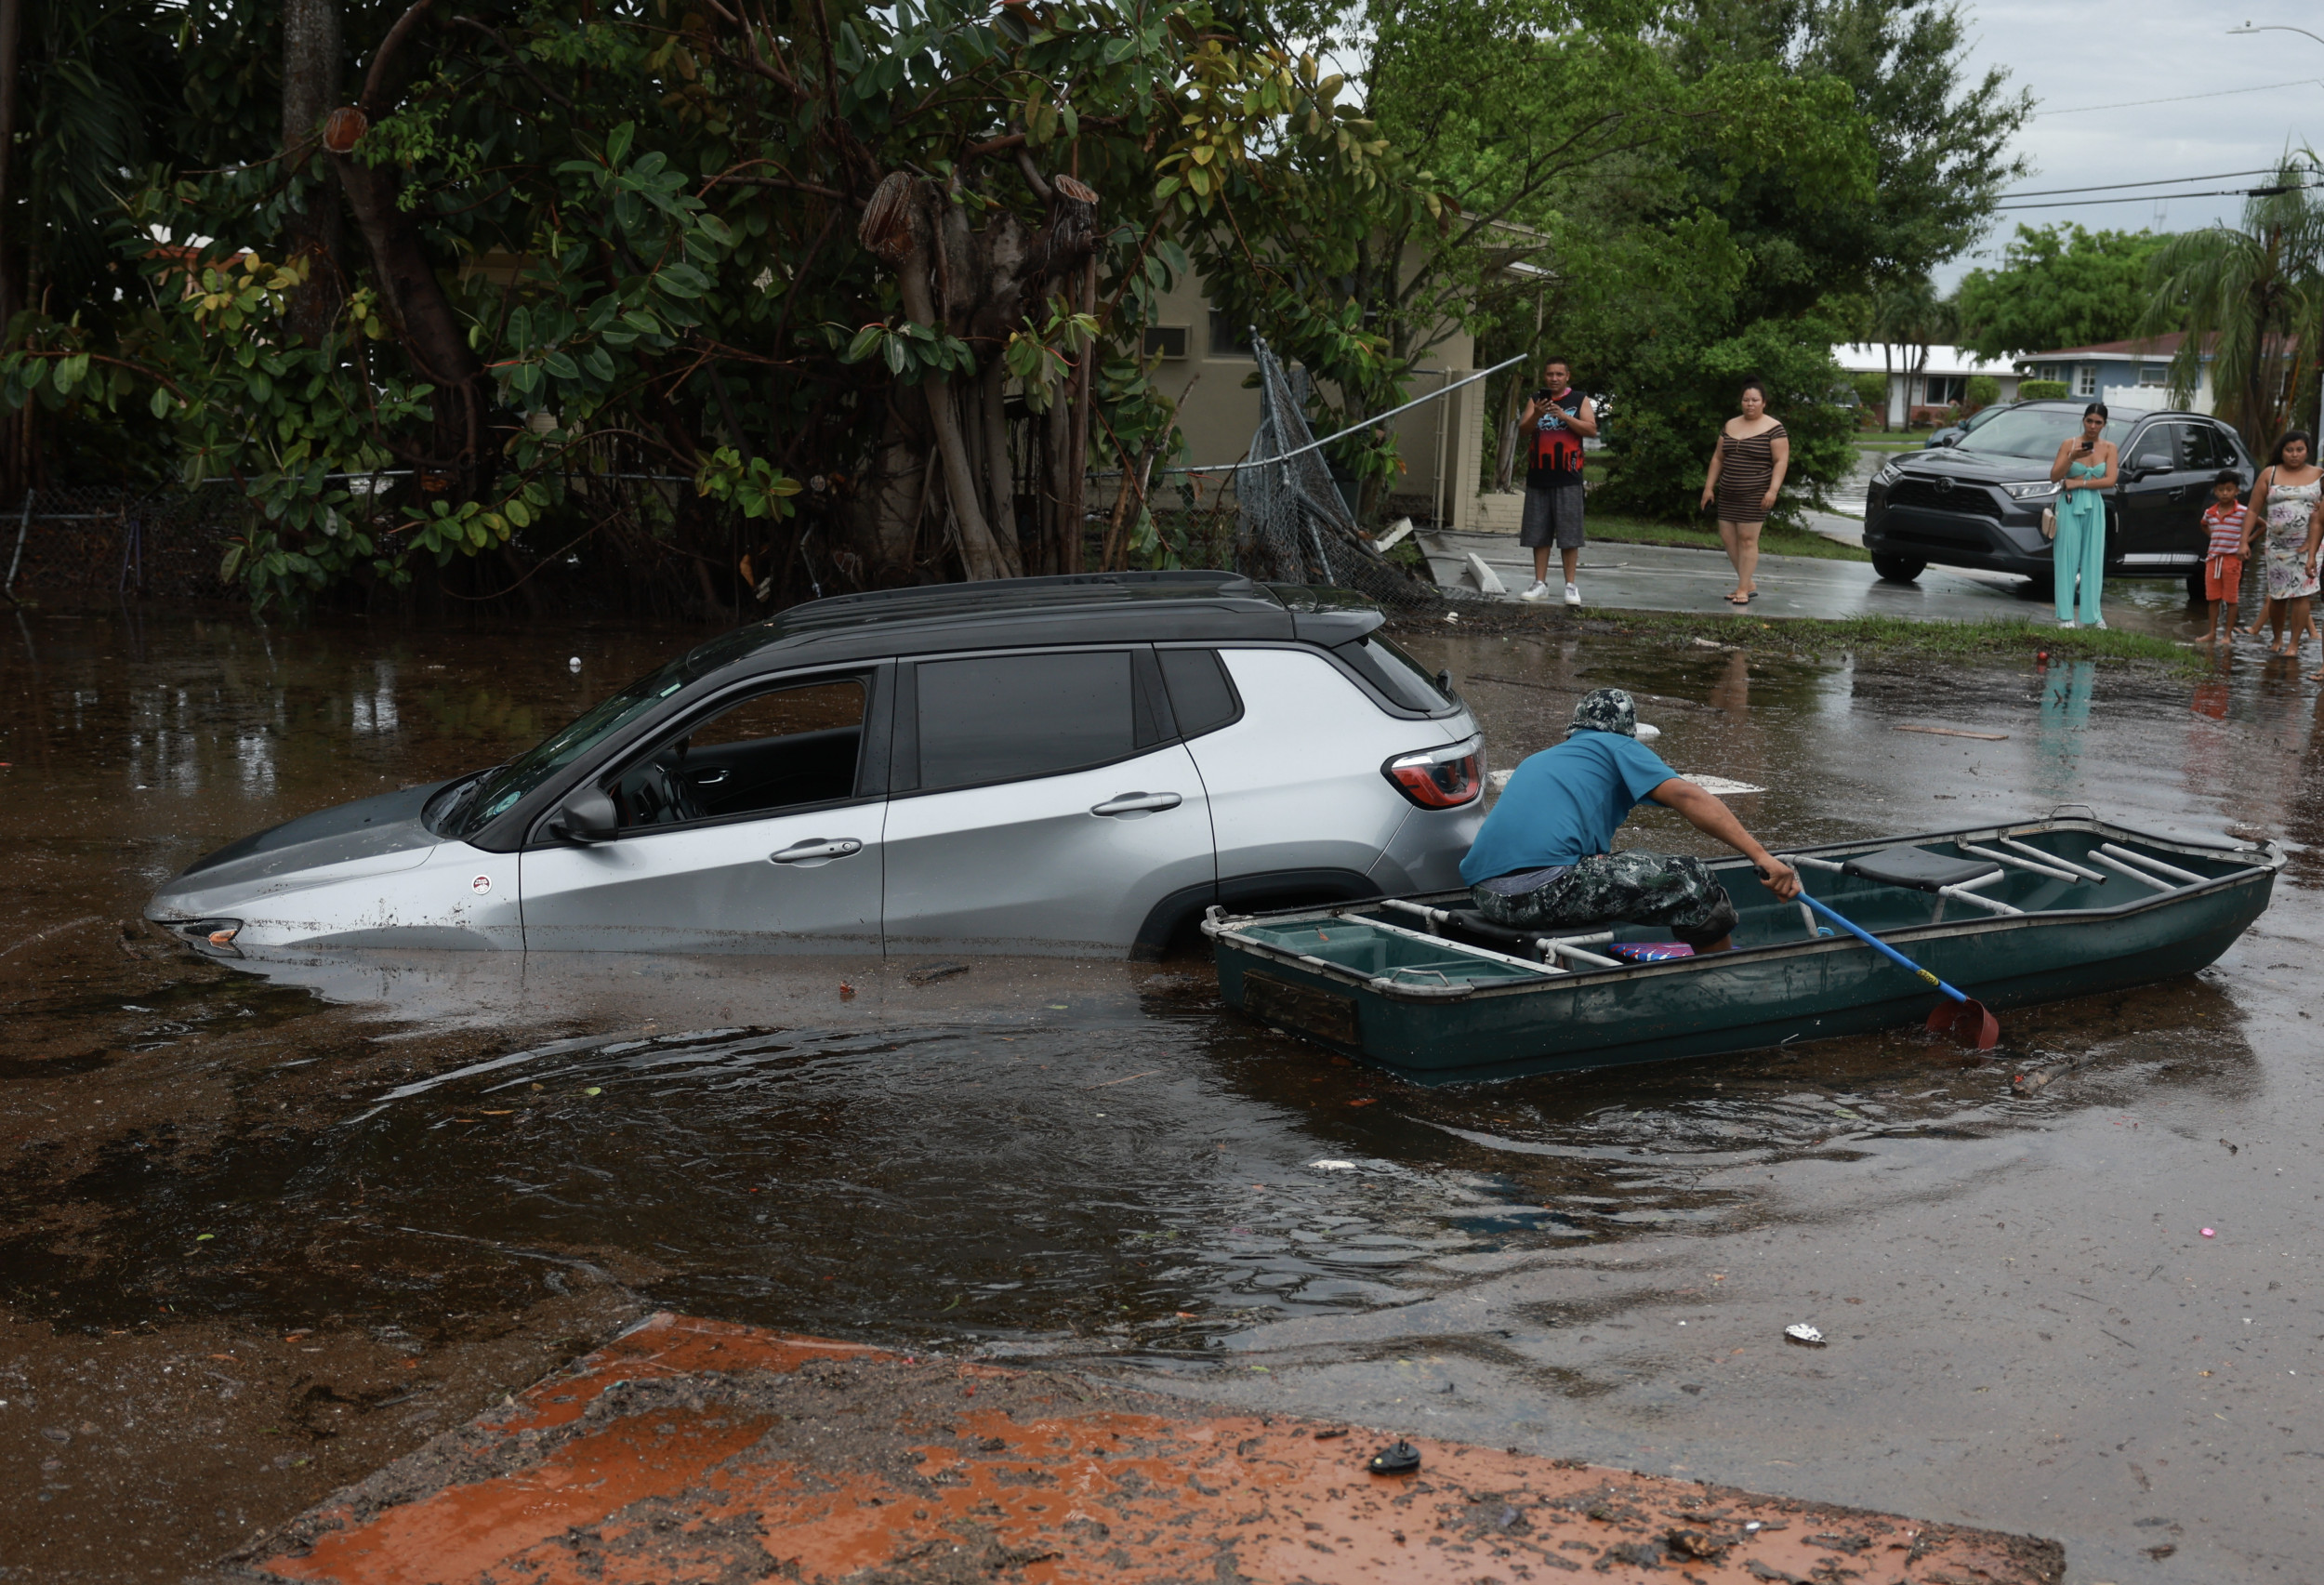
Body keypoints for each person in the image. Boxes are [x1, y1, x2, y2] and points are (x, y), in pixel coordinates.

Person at [1459, 687, 1801, 953]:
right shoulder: (1616, 746)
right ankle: (1721, 972)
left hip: (1488, 897)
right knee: (1691, 878)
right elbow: (1689, 797)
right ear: (1627, 731)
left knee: (1606, 864)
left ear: (1576, 725)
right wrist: (1761, 856)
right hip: (1542, 892)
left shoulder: (1541, 759)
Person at [1516, 357, 1598, 606]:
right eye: (1550, 374)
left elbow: (1591, 429)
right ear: (1545, 377)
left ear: (1567, 376)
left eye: (1559, 374)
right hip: (1539, 476)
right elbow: (1523, 429)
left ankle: (1570, 586)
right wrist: (1537, 414)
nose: (1554, 378)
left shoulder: (1579, 399)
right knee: (1539, 532)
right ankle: (1539, 583)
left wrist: (1564, 416)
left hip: (1568, 476)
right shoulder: (1535, 399)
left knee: (1569, 534)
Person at [1699, 377, 1789, 604]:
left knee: (1748, 540)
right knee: (1728, 538)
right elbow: (1718, 458)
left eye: (1755, 400)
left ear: (1764, 403)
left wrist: (1773, 491)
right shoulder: (1730, 425)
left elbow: (1780, 461)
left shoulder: (1774, 428)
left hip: (1755, 493)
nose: (1750, 404)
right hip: (1729, 492)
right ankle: (1746, 582)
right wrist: (1709, 487)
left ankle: (1742, 589)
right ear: (1741, 402)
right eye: (1746, 400)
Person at [2246, 429, 2322, 660]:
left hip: (2310, 546)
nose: (2294, 455)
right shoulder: (2269, 474)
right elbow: (2252, 509)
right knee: (2278, 595)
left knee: (2302, 594)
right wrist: (2243, 542)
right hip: (2277, 546)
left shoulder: (2320, 475)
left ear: (2307, 451)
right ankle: (2277, 639)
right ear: (2282, 451)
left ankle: (2294, 644)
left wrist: (2311, 543)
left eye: (2300, 450)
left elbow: (2322, 516)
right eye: (2289, 450)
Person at [2045, 402, 2116, 629]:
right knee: (2066, 558)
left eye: (2098, 422)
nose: (2093, 426)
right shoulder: (2070, 443)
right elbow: (2055, 476)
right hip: (2069, 504)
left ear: (2104, 424)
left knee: (2093, 559)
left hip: (2094, 506)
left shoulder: (2109, 447)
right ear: (2083, 420)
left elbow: (2110, 480)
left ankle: (2092, 615)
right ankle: (2065, 616)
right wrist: (2072, 457)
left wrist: (2079, 483)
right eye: (2089, 421)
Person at [2194, 469, 2251, 648]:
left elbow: (2261, 525)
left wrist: (2245, 542)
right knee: (2213, 598)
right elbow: (2203, 525)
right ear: (2215, 491)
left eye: (2229, 489)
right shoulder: (2210, 513)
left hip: (2232, 560)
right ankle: (2212, 632)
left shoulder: (2243, 512)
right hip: (2213, 559)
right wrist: (2215, 537)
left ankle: (2227, 634)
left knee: (2231, 599)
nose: (2225, 493)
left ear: (2237, 491)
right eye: (2221, 490)